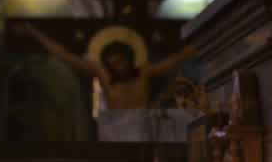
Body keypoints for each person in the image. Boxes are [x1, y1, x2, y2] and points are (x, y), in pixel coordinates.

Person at [21, 22, 196, 110]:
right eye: (112, 64)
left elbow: (173, 61)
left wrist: (191, 49)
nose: (118, 67)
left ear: (129, 58)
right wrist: (35, 34)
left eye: (120, 61)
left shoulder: (143, 72)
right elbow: (66, 56)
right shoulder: (104, 74)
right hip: (114, 129)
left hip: (142, 127)